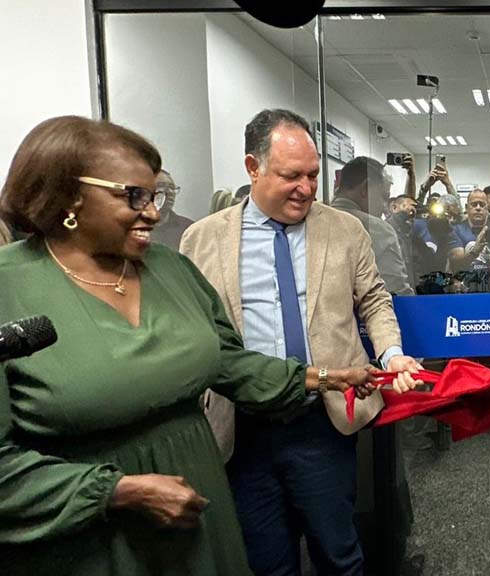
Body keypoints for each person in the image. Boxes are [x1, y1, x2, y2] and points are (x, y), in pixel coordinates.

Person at [0, 115, 378, 576]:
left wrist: (320, 376)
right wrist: (118, 491)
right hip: (87, 537)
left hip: (199, 509)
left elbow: (227, 362)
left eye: (155, 195)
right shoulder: (10, 287)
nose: (155, 213)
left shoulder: (169, 270)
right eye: (133, 195)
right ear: (69, 194)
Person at [179, 108, 421, 576]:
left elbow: (374, 300)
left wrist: (392, 353)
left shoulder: (345, 229)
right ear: (253, 168)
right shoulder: (202, 240)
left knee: (339, 554)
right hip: (242, 427)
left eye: (312, 175)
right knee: (267, 562)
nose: (307, 189)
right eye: (292, 176)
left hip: (322, 421)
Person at [331, 156, 413, 295]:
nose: (384, 207)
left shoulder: (310, 222)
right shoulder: (379, 230)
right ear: (365, 188)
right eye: (384, 197)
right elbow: (397, 292)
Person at [151, 168, 194, 249]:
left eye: (172, 187)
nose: (170, 192)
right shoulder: (137, 226)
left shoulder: (188, 228)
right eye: (161, 186)